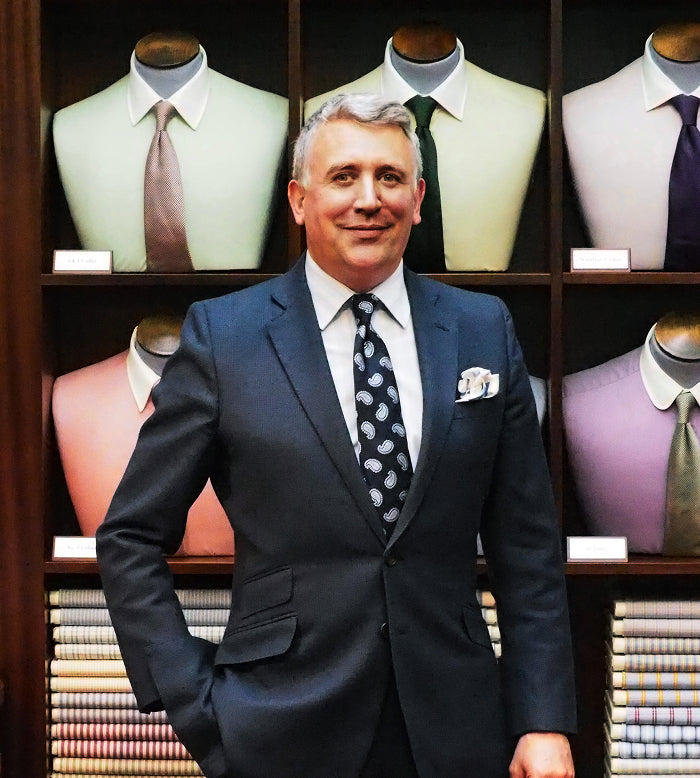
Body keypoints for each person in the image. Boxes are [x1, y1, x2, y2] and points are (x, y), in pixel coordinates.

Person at [96, 93, 576, 778]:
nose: (368, 199)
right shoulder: (224, 337)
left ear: (417, 198)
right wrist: (195, 701)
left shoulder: (482, 329)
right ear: (299, 200)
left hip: (456, 726)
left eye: (389, 177)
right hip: (277, 727)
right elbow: (130, 535)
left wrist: (542, 719)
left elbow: (527, 548)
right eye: (344, 176)